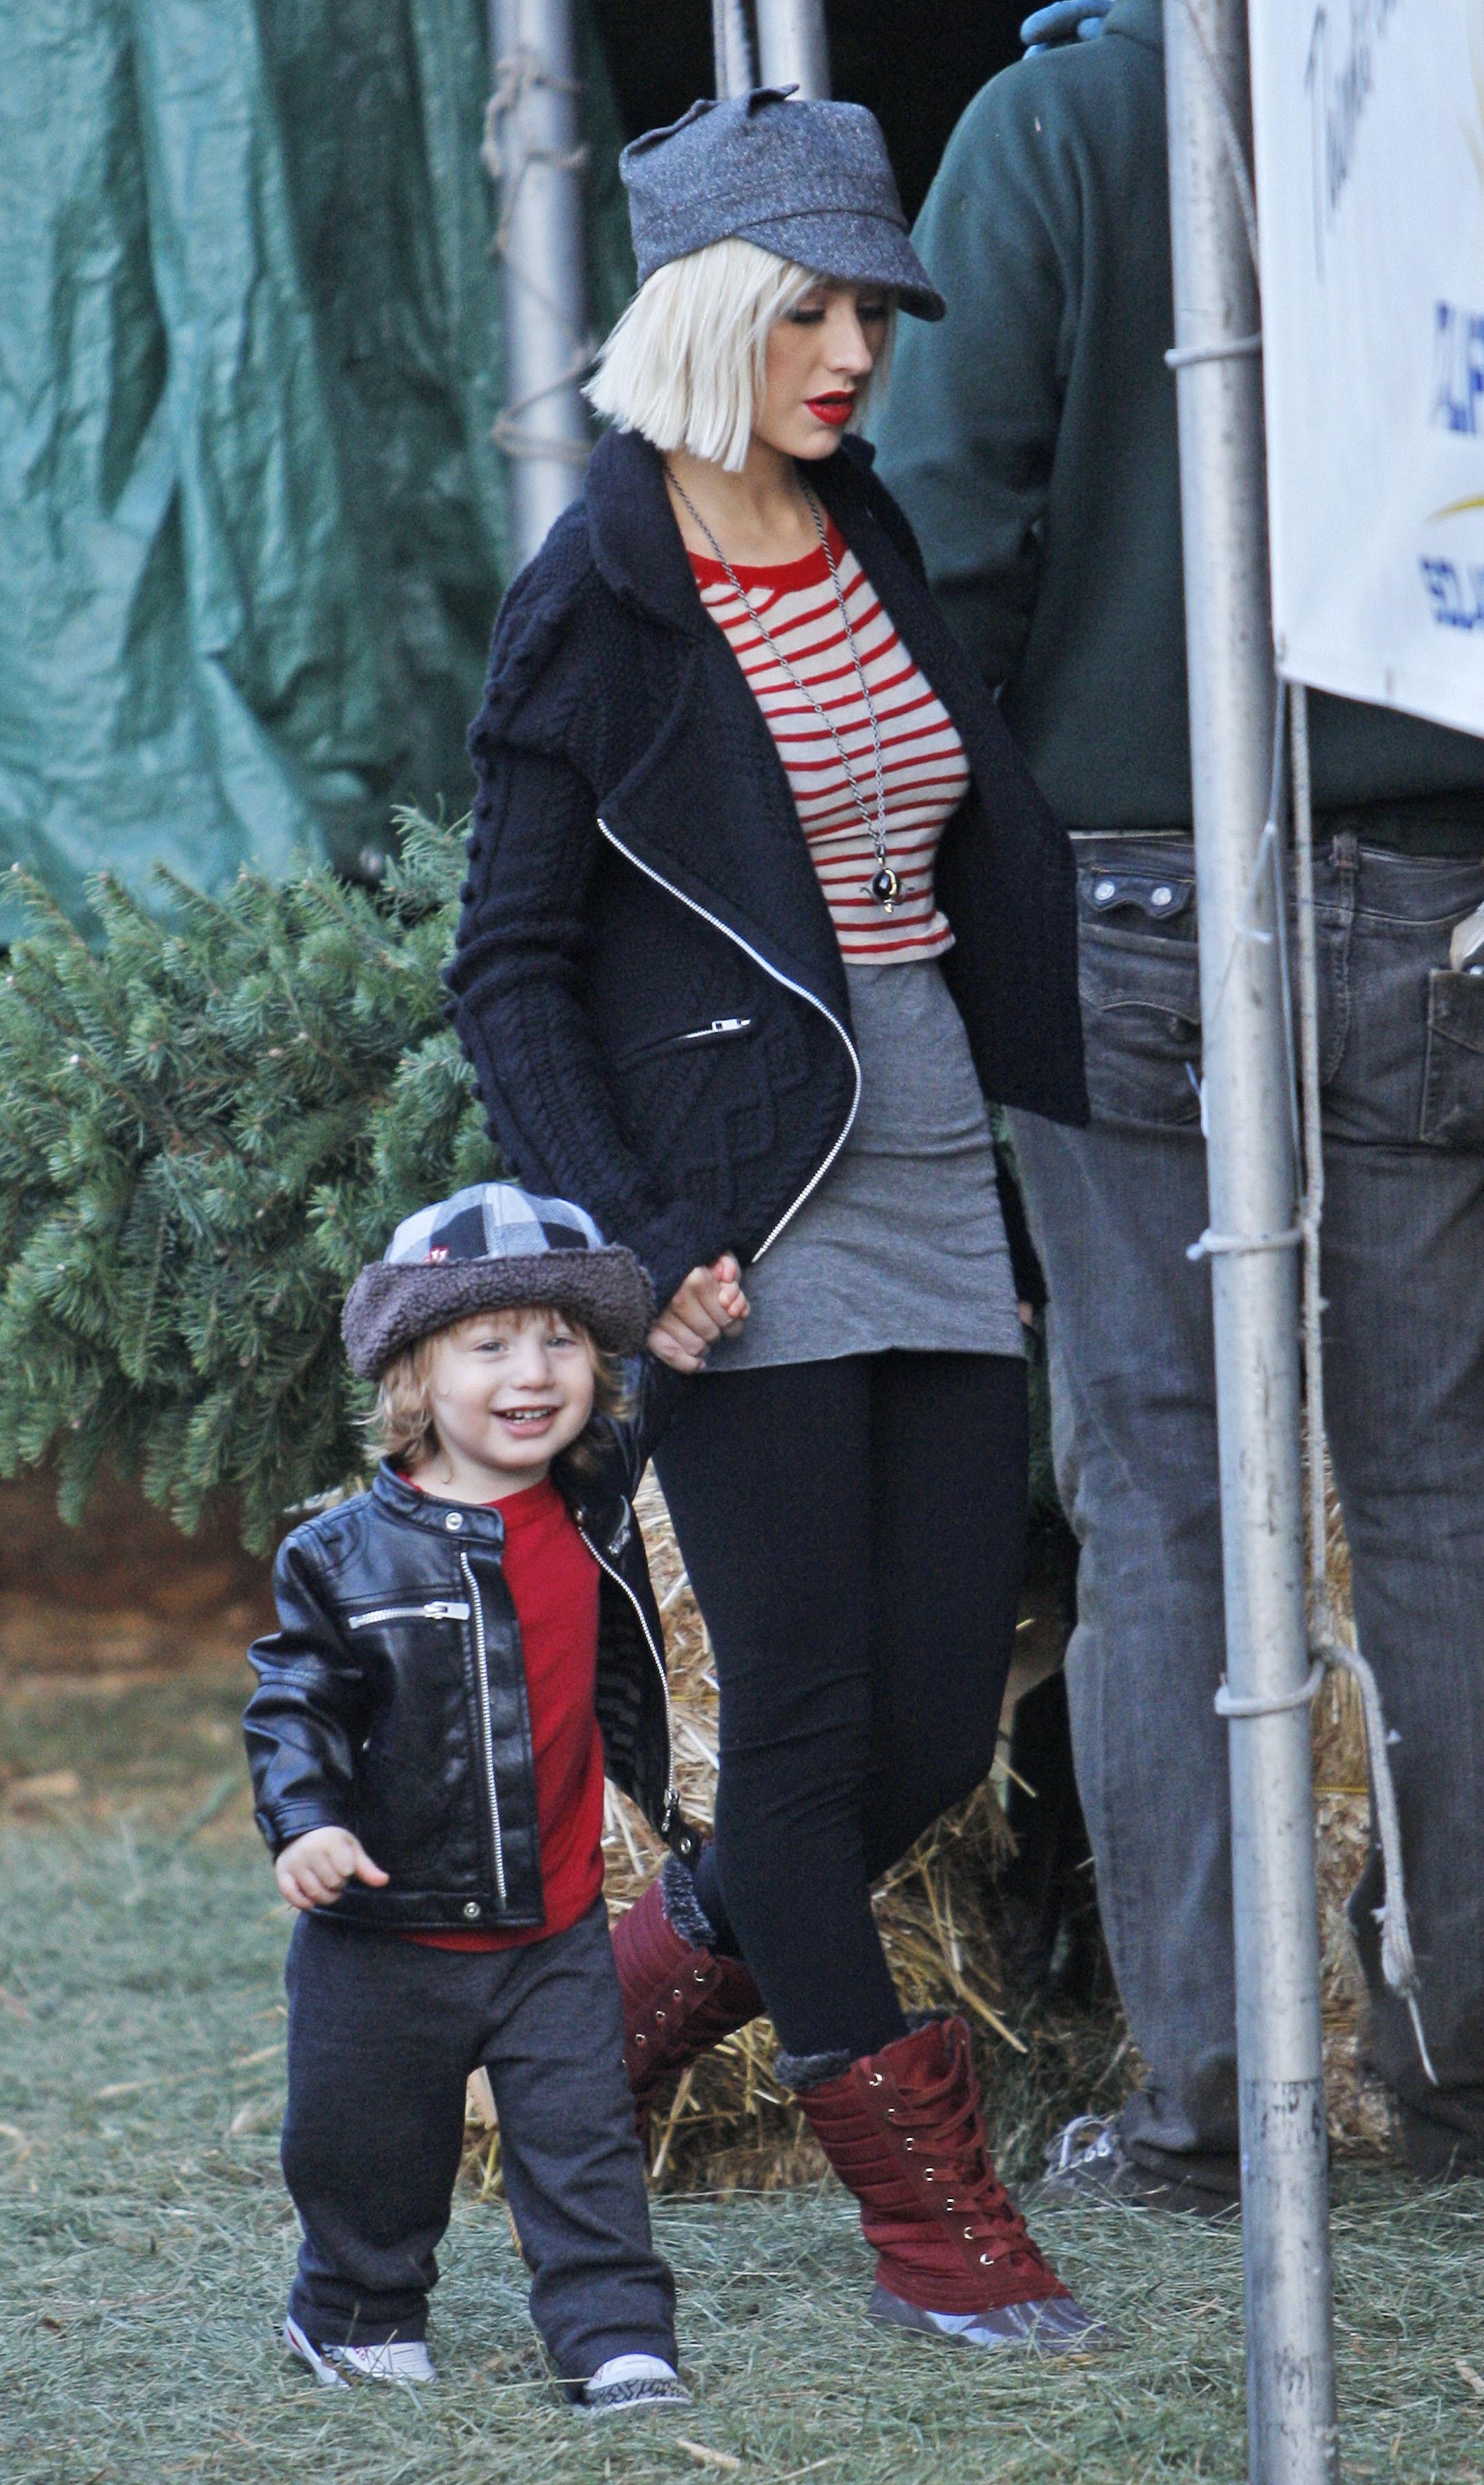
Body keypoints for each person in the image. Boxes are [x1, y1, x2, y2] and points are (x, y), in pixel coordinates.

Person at [868, 0, 1484, 2208]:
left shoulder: (1067, 115)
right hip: (1439, 879)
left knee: (1164, 1498)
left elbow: (940, 527)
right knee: (1436, 1494)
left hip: (1122, 879)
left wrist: (961, 848)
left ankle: (1204, 2111)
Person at [445, 88, 1104, 2350]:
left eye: (874, 313)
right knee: (812, 1741)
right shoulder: (600, 592)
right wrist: (630, 1240)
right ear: (713, 308)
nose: (856, 351)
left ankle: (618, 1999)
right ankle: (940, 2231)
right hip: (741, 1209)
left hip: (930, 1164)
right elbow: (507, 965)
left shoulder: (858, 519)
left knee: (923, 1730)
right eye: (812, 310)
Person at [243, 1182, 690, 2412]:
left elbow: (676, 1387)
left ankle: (613, 2330)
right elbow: (295, 1702)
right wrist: (307, 1822)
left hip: (554, 1925)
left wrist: (690, 1314)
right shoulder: (340, 1556)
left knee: (583, 2139)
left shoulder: (595, 1508)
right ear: (414, 1380)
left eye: (562, 1340)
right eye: (488, 1344)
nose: (532, 1371)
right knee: (366, 2146)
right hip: (386, 1927)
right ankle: (356, 2311)